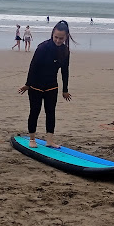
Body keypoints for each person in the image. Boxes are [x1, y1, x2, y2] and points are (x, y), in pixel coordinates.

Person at [18, 20, 74, 148]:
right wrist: (28, 84)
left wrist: (65, 90)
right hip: (36, 86)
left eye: (61, 38)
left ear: (66, 37)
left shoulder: (65, 51)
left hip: (52, 86)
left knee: (50, 112)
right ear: (52, 34)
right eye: (56, 37)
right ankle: (32, 139)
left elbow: (65, 71)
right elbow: (33, 67)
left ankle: (49, 140)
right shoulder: (43, 47)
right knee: (35, 112)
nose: (58, 40)